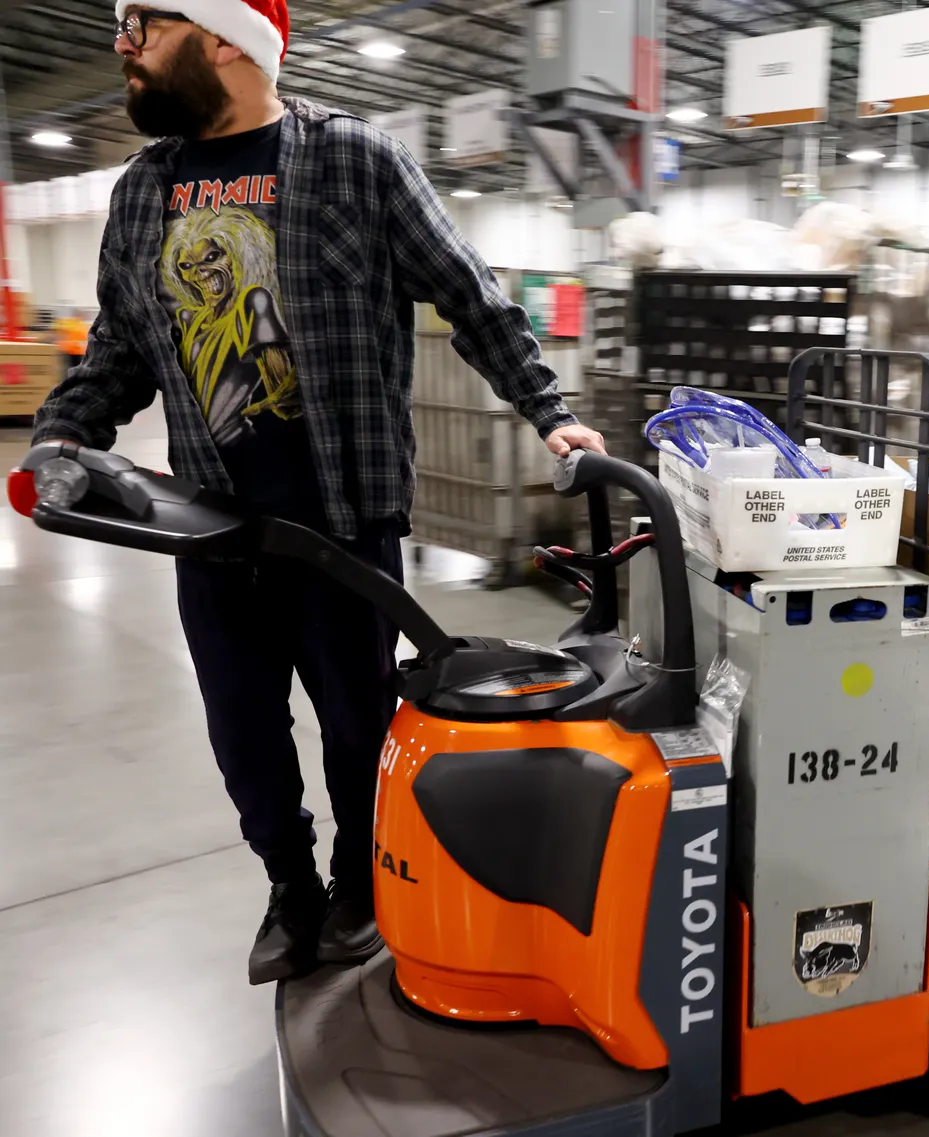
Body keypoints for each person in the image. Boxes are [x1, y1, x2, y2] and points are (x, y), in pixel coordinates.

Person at [32, 0, 606, 986]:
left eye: (146, 25)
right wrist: (60, 433)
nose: (122, 46)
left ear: (226, 43)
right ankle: (290, 886)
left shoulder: (355, 163)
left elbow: (469, 293)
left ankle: (358, 884)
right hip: (212, 529)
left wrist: (549, 411)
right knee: (244, 738)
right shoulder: (143, 191)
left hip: (344, 526)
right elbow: (122, 350)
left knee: (357, 732)